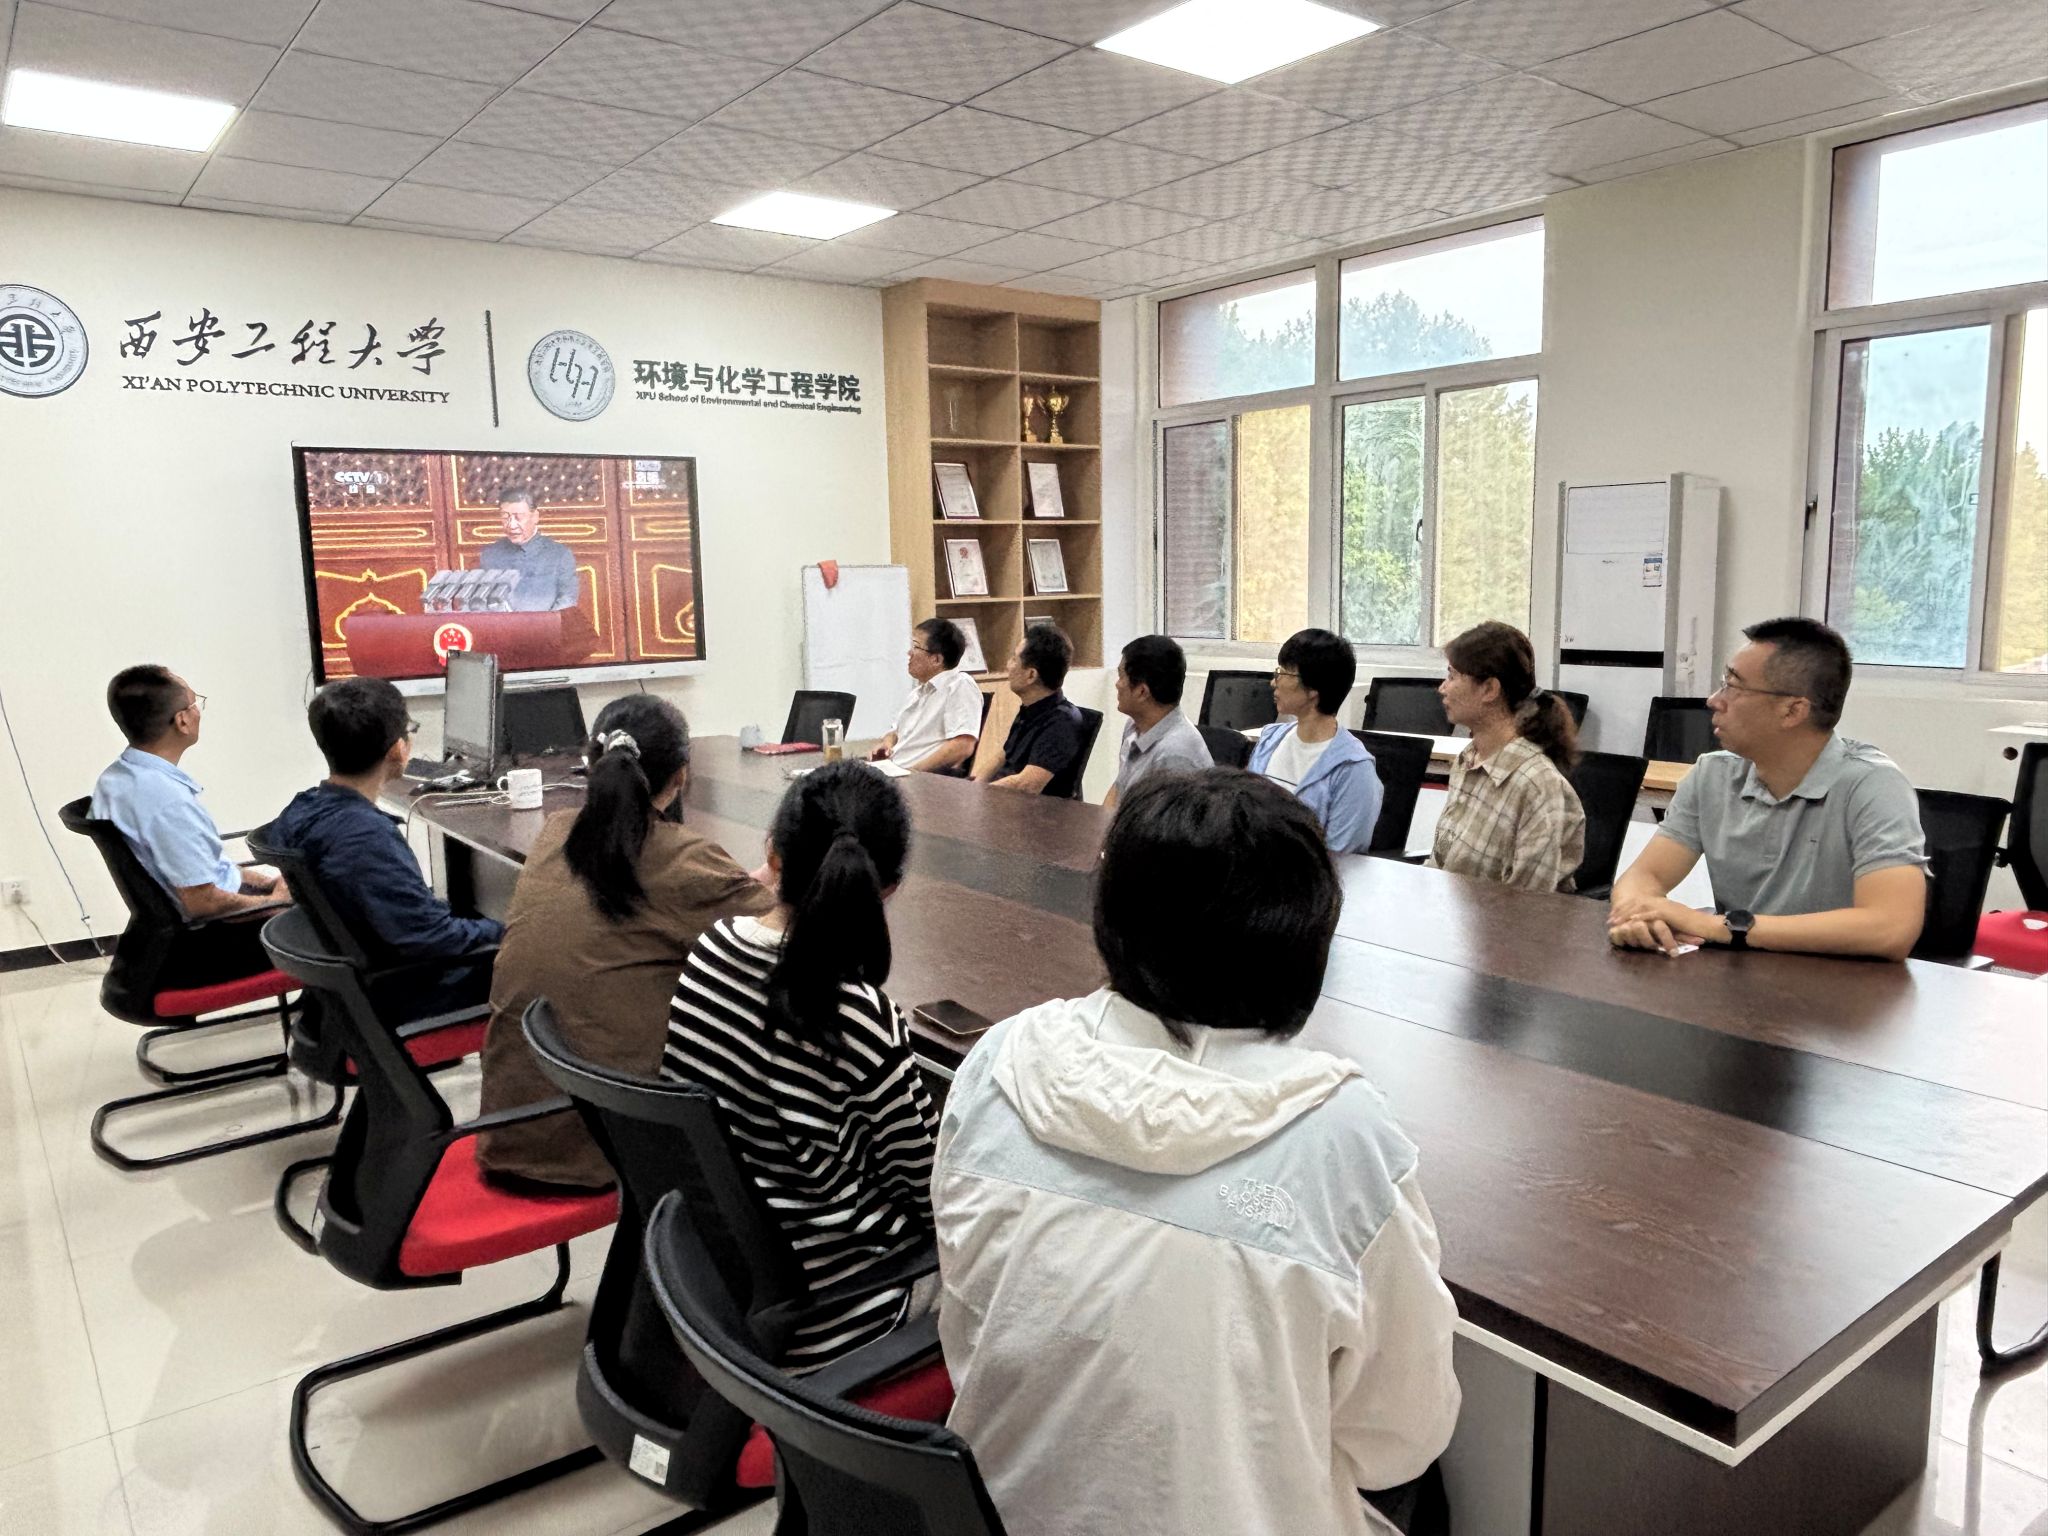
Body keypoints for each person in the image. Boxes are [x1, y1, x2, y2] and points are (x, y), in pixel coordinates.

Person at [934, 770, 1461, 1536]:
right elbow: (1400, 1437)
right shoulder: (1346, 1141)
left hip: (1005, 1510)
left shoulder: (1000, 1062)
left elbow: (972, 1331)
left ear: (1110, 917)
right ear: (1308, 941)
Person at [664, 762, 941, 1373]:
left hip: (724, 1291)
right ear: (888, 888)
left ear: (772, 855)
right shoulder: (861, 1016)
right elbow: (934, 1199)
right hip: (842, 1313)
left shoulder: (711, 949)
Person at [476, 696, 772, 1189]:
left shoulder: (557, 832)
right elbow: (788, 934)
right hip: (604, 1146)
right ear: (681, 776)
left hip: (516, 1128)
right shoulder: (683, 859)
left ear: (591, 765)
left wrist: (737, 884)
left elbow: (668, 892)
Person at [1608, 616, 1928, 961]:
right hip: (1740, 977)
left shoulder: (1873, 786)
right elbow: (1645, 876)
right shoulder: (1712, 775)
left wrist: (1721, 927)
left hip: (1841, 984)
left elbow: (1892, 928)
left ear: (1793, 711)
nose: (1714, 700)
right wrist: (1637, 916)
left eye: (1733, 686)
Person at [267, 677, 499, 1018]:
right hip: (410, 990)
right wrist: (508, 929)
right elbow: (432, 938)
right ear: (397, 750)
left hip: (355, 986)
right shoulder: (365, 838)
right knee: (538, 951)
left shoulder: (302, 809)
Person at [90, 666, 288, 966]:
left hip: (174, 933)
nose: (198, 712)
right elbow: (203, 902)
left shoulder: (116, 778)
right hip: (218, 939)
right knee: (341, 916)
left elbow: (201, 869)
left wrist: (266, 883)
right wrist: (275, 903)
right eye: (196, 703)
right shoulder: (167, 802)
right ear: (182, 720)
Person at [1428, 621, 1586, 892]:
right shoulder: (1468, 759)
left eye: (1452, 676)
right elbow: (1443, 863)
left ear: (1490, 689)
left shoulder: (1536, 784)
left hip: (1500, 918)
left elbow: (1528, 903)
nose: (1443, 688)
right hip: (1449, 909)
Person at [1249, 628, 1381, 853]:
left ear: (1313, 689)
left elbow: (1341, 857)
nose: (1274, 682)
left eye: (1283, 673)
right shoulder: (1270, 740)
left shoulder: (1353, 768)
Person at [977, 622, 1086, 797]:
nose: (1008, 665)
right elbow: (1002, 756)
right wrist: (975, 785)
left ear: (1031, 675)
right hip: (1004, 800)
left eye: (1014, 659)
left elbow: (1027, 784)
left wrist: (981, 795)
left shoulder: (1062, 723)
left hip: (1032, 809)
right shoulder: (1029, 709)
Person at [1105, 634, 1211, 809]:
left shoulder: (1175, 756)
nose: (1117, 684)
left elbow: (1167, 824)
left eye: (1121, 676)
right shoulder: (1134, 727)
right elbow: (1118, 789)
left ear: (1142, 692)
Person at [870, 617, 983, 774]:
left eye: (915, 647)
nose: (909, 653)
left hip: (916, 778)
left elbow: (962, 746)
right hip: (893, 770)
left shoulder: (959, 685)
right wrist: (886, 744)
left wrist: (913, 772)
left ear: (936, 659)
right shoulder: (918, 692)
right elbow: (895, 732)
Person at [477, 486, 577, 612]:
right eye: (505, 517)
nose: (511, 525)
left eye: (518, 517)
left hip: (546, 623)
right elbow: (482, 600)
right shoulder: (491, 554)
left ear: (535, 516)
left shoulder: (559, 554)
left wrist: (544, 621)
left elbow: (567, 600)